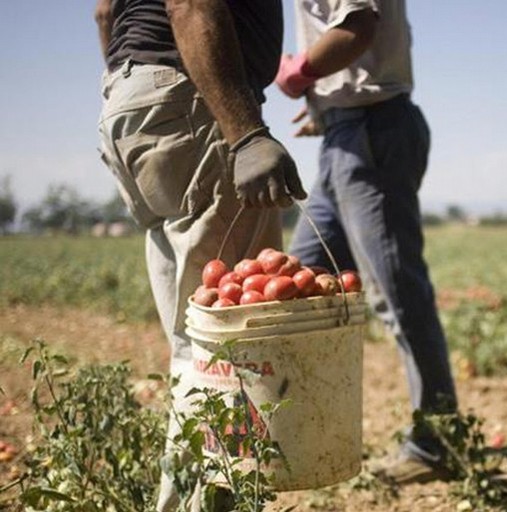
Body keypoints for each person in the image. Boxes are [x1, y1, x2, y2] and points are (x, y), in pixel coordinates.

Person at [94, 0, 306, 509]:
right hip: (190, 98)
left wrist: (139, 88)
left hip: (132, 103)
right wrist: (247, 133)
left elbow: (104, 13)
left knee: (197, 346)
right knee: (233, 348)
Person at [275, 0, 458, 485]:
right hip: (347, 134)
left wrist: (299, 73)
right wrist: (328, 110)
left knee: (397, 294)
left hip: (372, 131)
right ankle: (300, 432)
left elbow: (357, 28)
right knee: (296, 284)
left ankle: (435, 443)